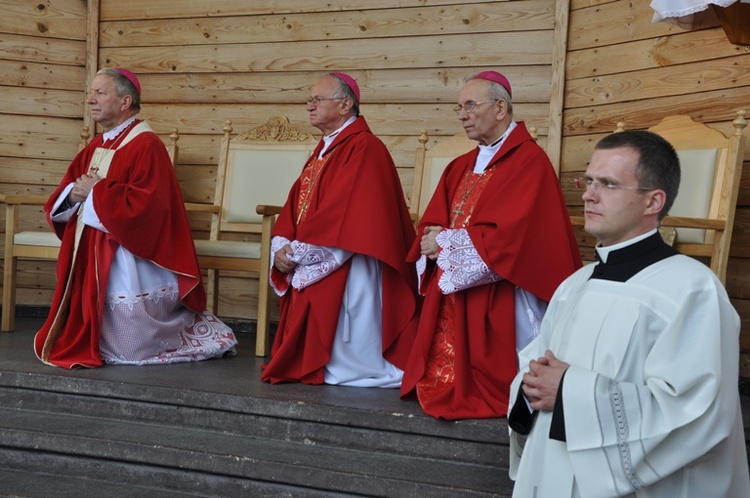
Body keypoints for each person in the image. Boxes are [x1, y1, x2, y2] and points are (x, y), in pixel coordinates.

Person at [508, 130, 750, 497]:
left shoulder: (692, 290)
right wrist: (530, 388)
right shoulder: (575, 284)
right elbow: (536, 370)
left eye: (607, 184)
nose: (588, 194)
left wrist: (571, 392)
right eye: (588, 181)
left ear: (653, 201)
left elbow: (696, 413)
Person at [399, 71, 582, 420]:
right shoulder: (460, 165)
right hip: (457, 283)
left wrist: (447, 243)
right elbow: (433, 221)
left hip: (506, 284)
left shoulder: (529, 161)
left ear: (501, 108)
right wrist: (432, 237)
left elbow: (516, 237)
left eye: (470, 105)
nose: (463, 115)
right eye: (459, 108)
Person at [34, 67, 238, 368]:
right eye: (91, 93)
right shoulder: (98, 144)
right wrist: (74, 196)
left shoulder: (146, 144)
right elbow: (71, 188)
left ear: (125, 102)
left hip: (128, 250)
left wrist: (98, 191)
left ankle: (192, 338)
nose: (90, 100)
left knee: (132, 351)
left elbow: (149, 206)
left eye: (100, 93)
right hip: (92, 245)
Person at [260, 72, 419, 387]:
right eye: (310, 100)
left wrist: (301, 250)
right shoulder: (324, 148)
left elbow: (348, 214)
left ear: (346, 104)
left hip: (352, 256)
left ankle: (350, 363)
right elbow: (297, 202)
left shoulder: (365, 147)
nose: (310, 106)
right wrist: (282, 244)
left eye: (317, 100)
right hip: (321, 248)